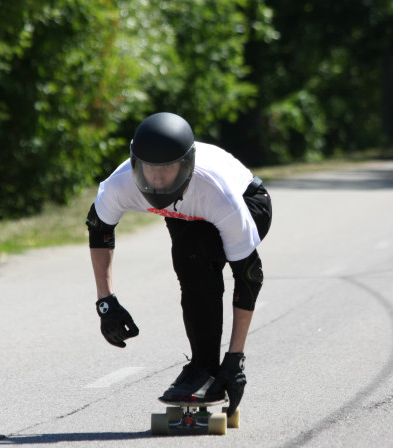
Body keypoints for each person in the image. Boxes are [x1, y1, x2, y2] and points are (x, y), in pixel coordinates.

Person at [87, 112, 272, 417]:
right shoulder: (120, 184)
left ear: (186, 165)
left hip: (250, 201)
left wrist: (235, 358)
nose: (157, 179)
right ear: (136, 163)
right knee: (189, 262)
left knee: (193, 253)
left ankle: (206, 369)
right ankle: (204, 368)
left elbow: (249, 276)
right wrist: (106, 302)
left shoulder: (218, 193)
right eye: (148, 169)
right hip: (185, 211)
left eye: (168, 168)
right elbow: (99, 229)